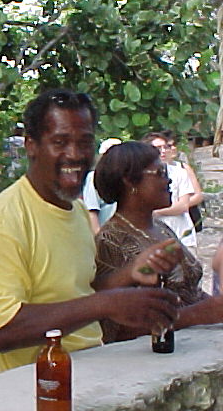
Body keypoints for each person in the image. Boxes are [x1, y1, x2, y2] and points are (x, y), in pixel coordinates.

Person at [0, 89, 181, 373]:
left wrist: (132, 272)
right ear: (31, 145)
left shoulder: (77, 211)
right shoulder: (1, 223)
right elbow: (2, 331)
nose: (75, 154)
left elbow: (79, 295)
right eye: (60, 142)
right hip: (39, 386)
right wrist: (105, 304)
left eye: (85, 142)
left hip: (91, 372)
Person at [94, 141, 223, 343]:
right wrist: (194, 315)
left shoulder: (161, 228)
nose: (169, 180)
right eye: (160, 173)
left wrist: (214, 306)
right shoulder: (111, 241)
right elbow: (118, 329)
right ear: (130, 181)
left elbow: (192, 294)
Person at [141, 132, 196, 251]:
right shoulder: (139, 176)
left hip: (182, 236)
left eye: (165, 147)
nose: (163, 151)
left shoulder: (180, 172)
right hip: (152, 238)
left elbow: (183, 206)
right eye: (158, 148)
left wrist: (154, 212)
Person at [82, 138, 121, 234]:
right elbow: (91, 211)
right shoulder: (93, 177)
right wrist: (99, 238)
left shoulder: (127, 177)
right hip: (106, 235)